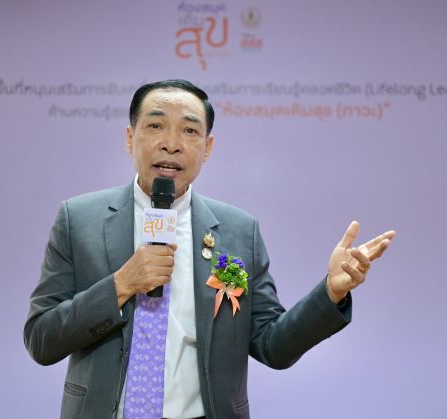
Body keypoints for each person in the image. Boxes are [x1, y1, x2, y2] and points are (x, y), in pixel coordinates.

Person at [24, 79, 395, 419]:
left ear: (208, 148)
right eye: (155, 126)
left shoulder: (239, 232)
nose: (171, 143)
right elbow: (41, 339)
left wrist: (331, 292)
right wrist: (121, 285)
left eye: (189, 130)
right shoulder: (79, 220)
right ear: (129, 137)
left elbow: (273, 345)